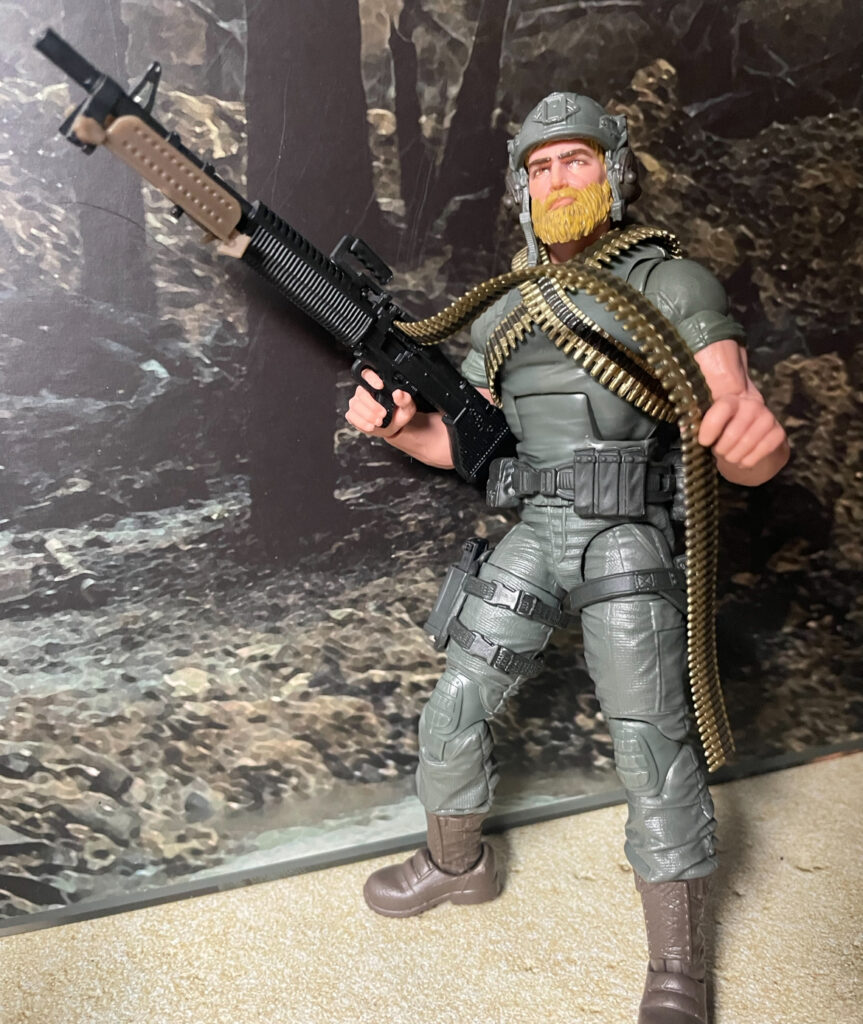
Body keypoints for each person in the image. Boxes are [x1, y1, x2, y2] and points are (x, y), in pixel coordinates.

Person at [345, 92, 789, 1024]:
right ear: (521, 188)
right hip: (531, 530)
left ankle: (676, 967)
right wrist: (396, 427)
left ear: (613, 172)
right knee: (455, 702)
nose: (557, 180)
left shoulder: (669, 284)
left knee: (650, 747)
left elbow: (732, 414)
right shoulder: (503, 307)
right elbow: (469, 443)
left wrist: (752, 446)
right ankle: (455, 863)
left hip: (625, 533)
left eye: (575, 159)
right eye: (540, 166)